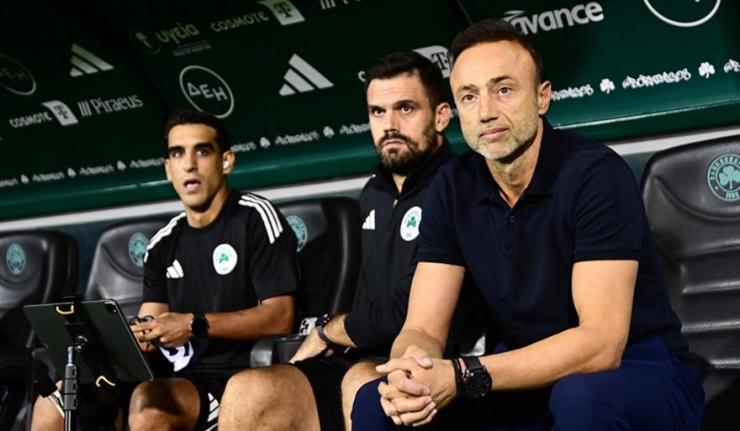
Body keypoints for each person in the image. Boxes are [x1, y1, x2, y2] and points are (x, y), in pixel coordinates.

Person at [351, 19, 705, 431]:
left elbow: (601, 345)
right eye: (469, 96)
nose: (486, 112)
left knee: (580, 397)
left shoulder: (594, 174)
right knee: (375, 402)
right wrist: (409, 370)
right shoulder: (452, 185)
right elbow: (423, 326)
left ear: (542, 97)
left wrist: (464, 374)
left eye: (503, 90)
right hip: (522, 372)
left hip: (637, 369)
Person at [218, 52, 482, 431]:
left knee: (362, 383)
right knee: (247, 391)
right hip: (361, 352)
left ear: (440, 116)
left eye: (405, 109)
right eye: (377, 112)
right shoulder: (373, 191)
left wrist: (330, 330)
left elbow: (412, 307)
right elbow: (367, 293)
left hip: (427, 361)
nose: (389, 125)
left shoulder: (459, 185)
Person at [30, 108, 299, 431]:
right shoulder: (162, 243)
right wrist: (131, 335)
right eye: (178, 153)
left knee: (149, 407)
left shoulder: (255, 218)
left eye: (202, 151)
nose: (189, 164)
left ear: (226, 161)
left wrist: (193, 324)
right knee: (54, 403)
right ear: (168, 169)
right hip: (169, 376)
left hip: (236, 379)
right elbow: (150, 324)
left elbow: (280, 316)